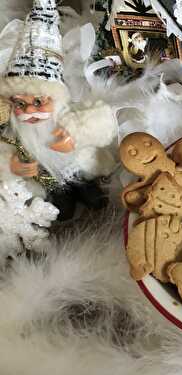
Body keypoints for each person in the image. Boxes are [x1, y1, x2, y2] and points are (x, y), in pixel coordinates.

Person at [0, 0, 118, 220]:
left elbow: (101, 122)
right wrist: (12, 166)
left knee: (90, 189)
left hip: (78, 167)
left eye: (38, 103)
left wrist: (75, 135)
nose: (30, 112)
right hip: (47, 178)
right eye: (20, 104)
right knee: (62, 205)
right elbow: (4, 149)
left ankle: (86, 189)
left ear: (54, 97)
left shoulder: (64, 115)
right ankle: (64, 198)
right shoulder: (16, 131)